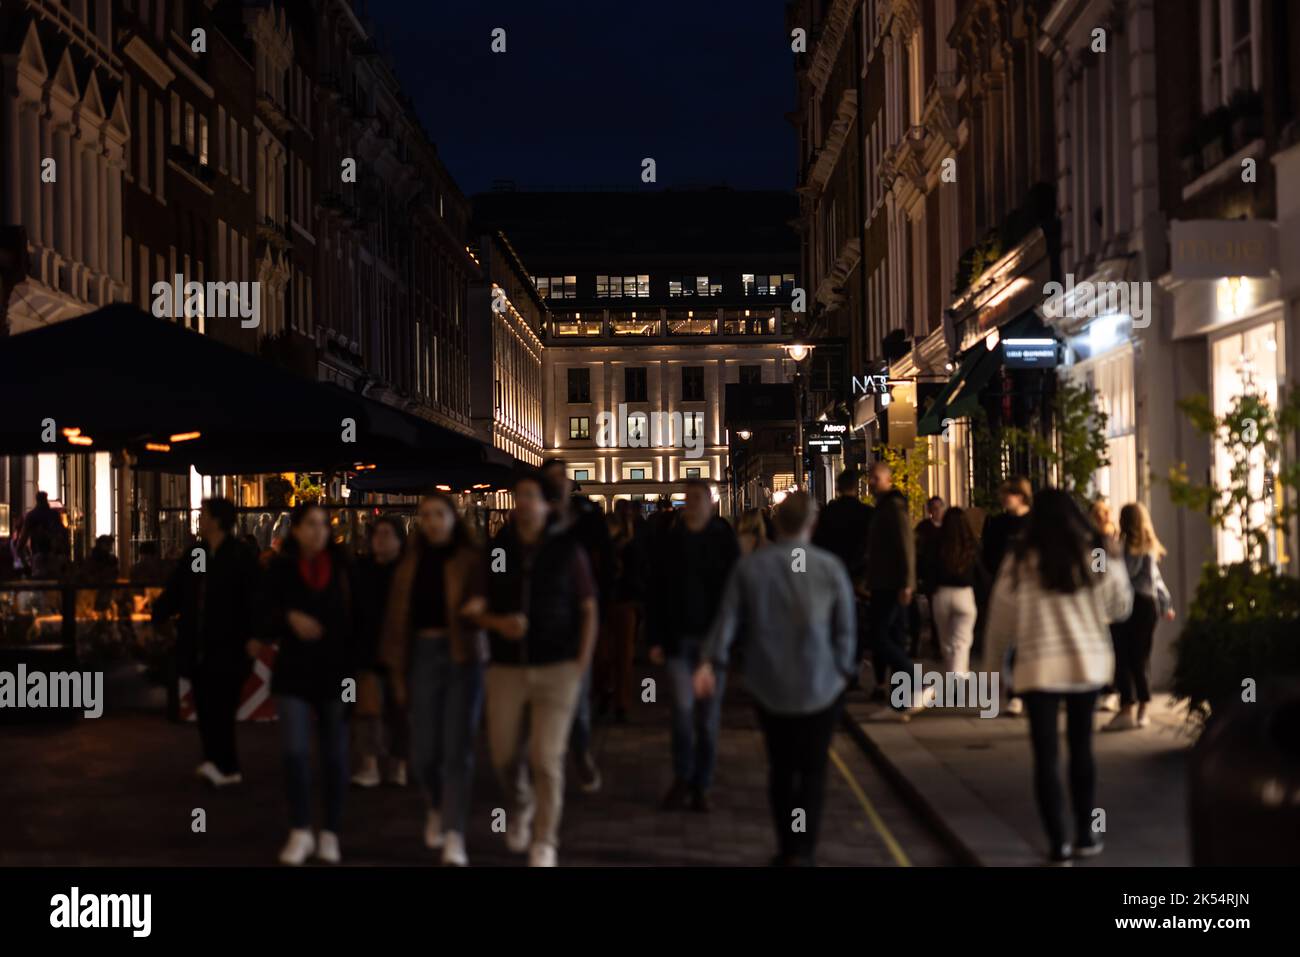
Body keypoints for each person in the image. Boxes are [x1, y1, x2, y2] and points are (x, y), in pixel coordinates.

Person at [695, 491, 856, 866]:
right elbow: (845, 628)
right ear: (811, 525)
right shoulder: (829, 567)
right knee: (813, 772)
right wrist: (843, 669)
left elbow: (728, 621)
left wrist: (708, 662)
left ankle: (788, 846)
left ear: (776, 523)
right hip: (821, 685)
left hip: (770, 685)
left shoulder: (751, 568)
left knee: (782, 769)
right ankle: (805, 847)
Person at [984, 489, 1133, 864]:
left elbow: (999, 622)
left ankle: (1059, 842)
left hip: (1038, 667)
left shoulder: (1019, 559)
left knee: (1045, 757)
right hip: (1086, 665)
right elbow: (1121, 606)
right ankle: (1086, 833)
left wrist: (990, 673)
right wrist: (1110, 575)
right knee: (1082, 750)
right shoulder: (1094, 554)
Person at [466, 471, 598, 867]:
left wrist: (581, 663)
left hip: (557, 666)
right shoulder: (499, 549)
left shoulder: (566, 550)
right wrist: (497, 624)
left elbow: (589, 608)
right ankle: (520, 803)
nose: (522, 502)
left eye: (530, 496)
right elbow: (476, 607)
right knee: (504, 755)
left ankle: (545, 839)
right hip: (506, 667)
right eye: (518, 495)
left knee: (546, 757)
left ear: (546, 505)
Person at [380, 495, 485, 866]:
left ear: (453, 518)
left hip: (462, 657)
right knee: (424, 751)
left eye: (439, 514)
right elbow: (396, 619)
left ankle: (454, 832)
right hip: (422, 655)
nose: (432, 522)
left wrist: (480, 608)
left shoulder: (471, 559)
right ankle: (437, 806)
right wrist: (396, 670)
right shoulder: (411, 563)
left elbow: (492, 595)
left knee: (457, 748)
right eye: (426, 516)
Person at [262, 503, 355, 866]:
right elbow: (264, 609)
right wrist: (288, 617)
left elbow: (359, 615)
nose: (318, 531)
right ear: (296, 530)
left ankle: (330, 831)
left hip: (336, 671)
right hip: (295, 672)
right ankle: (300, 829)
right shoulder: (281, 568)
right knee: (295, 752)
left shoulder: (344, 567)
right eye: (311, 525)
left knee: (334, 755)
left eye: (323, 525)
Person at [152, 498, 261, 789]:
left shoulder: (238, 555)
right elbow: (179, 588)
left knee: (221, 707)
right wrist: (159, 612)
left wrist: (255, 635)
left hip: (230, 646)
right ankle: (219, 763)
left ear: (217, 520)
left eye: (205, 514)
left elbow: (255, 599)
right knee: (207, 706)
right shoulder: (199, 553)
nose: (201, 519)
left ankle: (224, 764)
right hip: (200, 646)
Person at [647, 479, 739, 811]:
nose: (693, 503)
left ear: (710, 503)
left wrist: (731, 641)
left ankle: (702, 783)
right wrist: (655, 637)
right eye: (689, 498)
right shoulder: (670, 540)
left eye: (698, 498)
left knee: (708, 719)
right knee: (683, 715)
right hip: (678, 639)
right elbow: (655, 590)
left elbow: (734, 594)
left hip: (712, 644)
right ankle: (683, 777)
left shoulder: (722, 539)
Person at [540, 457, 612, 794]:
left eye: (562, 478)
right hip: (540, 622)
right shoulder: (533, 517)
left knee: (578, 699)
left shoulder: (587, 515)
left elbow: (606, 557)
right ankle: (546, 764)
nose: (559, 484)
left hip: (579, 614)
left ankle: (581, 752)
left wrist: (603, 602)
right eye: (552, 479)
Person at [1106, 503, 1175, 732]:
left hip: (1135, 604)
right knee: (1131, 657)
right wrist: (1166, 603)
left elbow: (1127, 573)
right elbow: (1156, 580)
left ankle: (1134, 706)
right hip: (1142, 605)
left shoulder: (1133, 548)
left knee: (1131, 657)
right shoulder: (1142, 546)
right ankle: (1134, 706)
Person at [351, 515, 407, 790]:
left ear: (400, 540)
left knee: (400, 712)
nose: (381, 538)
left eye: (387, 533)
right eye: (377, 534)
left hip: (401, 653)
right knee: (367, 712)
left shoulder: (407, 572)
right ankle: (370, 764)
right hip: (367, 650)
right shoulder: (361, 570)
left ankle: (399, 764)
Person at [863, 461, 924, 714]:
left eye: (876, 478)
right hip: (882, 583)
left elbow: (906, 546)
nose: (872, 482)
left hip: (891, 585)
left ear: (888, 480)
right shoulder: (883, 507)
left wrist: (907, 584)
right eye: (870, 478)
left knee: (878, 637)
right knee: (895, 640)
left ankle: (916, 682)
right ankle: (900, 701)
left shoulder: (894, 507)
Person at [980, 477, 1033, 716]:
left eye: (1007, 494)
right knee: (1004, 644)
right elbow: (987, 554)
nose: (1003, 498)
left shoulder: (1035, 523)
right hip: (1005, 589)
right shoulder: (997, 523)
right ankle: (1011, 690)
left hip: (1030, 592)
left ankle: (1019, 693)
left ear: (1020, 495)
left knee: (1023, 644)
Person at [597, 500, 645, 724]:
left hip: (624, 603)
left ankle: (620, 702)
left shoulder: (631, 548)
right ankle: (608, 694)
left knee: (623, 656)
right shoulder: (603, 550)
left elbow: (638, 576)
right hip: (608, 604)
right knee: (605, 655)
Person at [932, 507, 984, 677]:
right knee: (962, 642)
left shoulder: (937, 543)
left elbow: (926, 567)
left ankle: (952, 676)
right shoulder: (971, 545)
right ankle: (958, 675)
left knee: (946, 642)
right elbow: (981, 573)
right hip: (965, 595)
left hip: (942, 593)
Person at [1089, 499, 1122, 713]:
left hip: (1102, 603)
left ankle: (1108, 691)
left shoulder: (1099, 541)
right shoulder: (1116, 539)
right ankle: (1110, 691)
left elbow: (1098, 572)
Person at [812, 469, 871, 588]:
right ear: (856, 488)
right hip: (860, 570)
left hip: (833, 568)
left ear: (838, 488)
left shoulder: (828, 512)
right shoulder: (867, 512)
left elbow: (818, 541)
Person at [913, 496, 946, 658]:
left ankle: (941, 643)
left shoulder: (948, 527)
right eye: (934, 508)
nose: (937, 511)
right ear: (929, 510)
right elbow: (917, 551)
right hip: (930, 574)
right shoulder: (924, 528)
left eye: (939, 507)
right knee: (934, 610)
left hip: (945, 574)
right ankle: (936, 644)